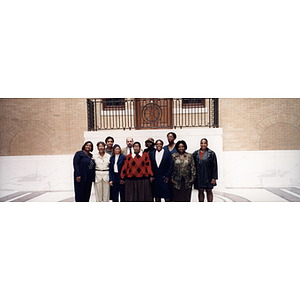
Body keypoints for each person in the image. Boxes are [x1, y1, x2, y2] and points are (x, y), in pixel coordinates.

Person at [163, 132, 177, 201]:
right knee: (167, 192)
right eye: (168, 137)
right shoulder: (165, 148)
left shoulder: (177, 147)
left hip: (176, 171)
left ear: (174, 138)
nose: (169, 138)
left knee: (175, 192)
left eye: (171, 137)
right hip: (167, 172)